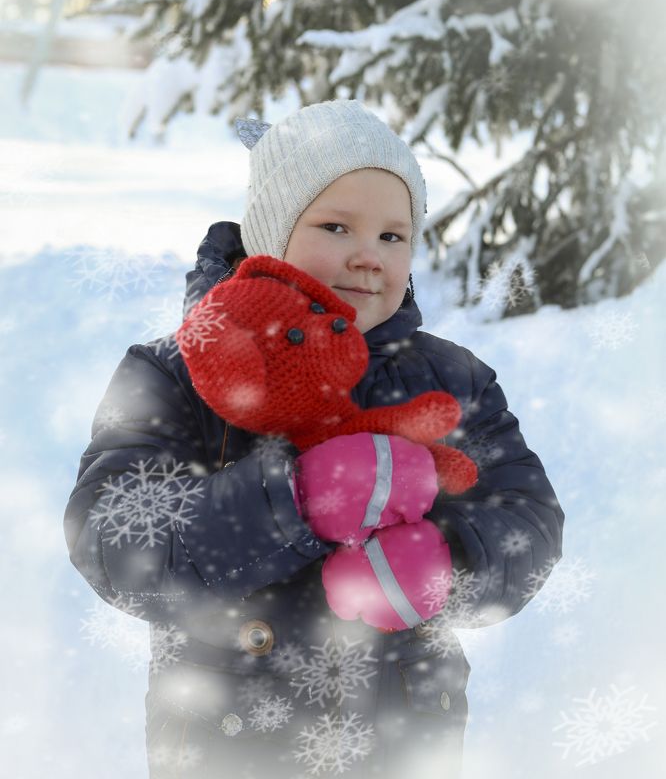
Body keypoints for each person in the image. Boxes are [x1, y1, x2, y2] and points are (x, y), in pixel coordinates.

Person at [64, 100, 564, 779]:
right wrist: (288, 500)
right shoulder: (176, 373)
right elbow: (112, 538)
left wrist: (447, 569)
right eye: (336, 226)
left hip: (399, 737)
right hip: (229, 741)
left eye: (394, 236)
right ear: (269, 234)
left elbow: (527, 523)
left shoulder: (450, 381)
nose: (368, 255)